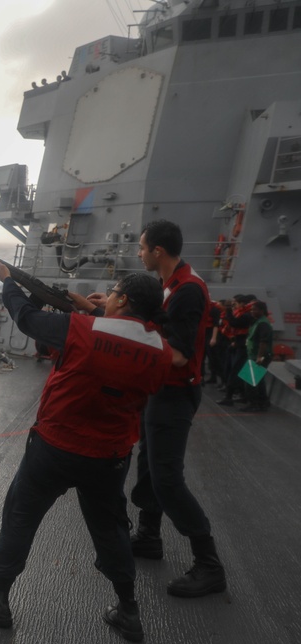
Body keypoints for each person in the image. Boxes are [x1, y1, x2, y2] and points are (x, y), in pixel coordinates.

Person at [0, 262, 181, 643]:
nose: (111, 296)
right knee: (111, 530)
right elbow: (126, 342)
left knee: (21, 515)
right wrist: (96, 311)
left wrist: (8, 282)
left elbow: (26, 318)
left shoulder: (81, 329)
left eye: (115, 292)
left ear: (122, 299)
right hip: (109, 457)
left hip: (54, 447)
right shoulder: (161, 351)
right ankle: (128, 610)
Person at [127, 219, 227, 598]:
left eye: (142, 247)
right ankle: (149, 536)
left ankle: (209, 563)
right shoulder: (168, 286)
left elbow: (182, 356)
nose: (139, 253)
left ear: (158, 252)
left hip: (174, 394)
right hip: (159, 391)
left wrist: (134, 337)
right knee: (149, 465)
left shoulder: (187, 290)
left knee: (167, 478)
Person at [217, 295, 255, 406]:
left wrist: (228, 309)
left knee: (237, 372)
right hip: (243, 346)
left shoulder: (250, 318)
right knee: (236, 371)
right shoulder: (248, 317)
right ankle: (246, 397)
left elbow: (234, 323)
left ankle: (256, 401)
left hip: (249, 350)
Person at [242, 300, 273, 412]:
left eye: (254, 309)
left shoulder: (263, 323)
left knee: (250, 380)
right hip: (254, 354)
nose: (252, 311)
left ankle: (254, 404)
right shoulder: (258, 321)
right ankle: (263, 401)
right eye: (251, 309)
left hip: (258, 355)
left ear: (262, 311)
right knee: (258, 381)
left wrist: (259, 357)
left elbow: (263, 341)